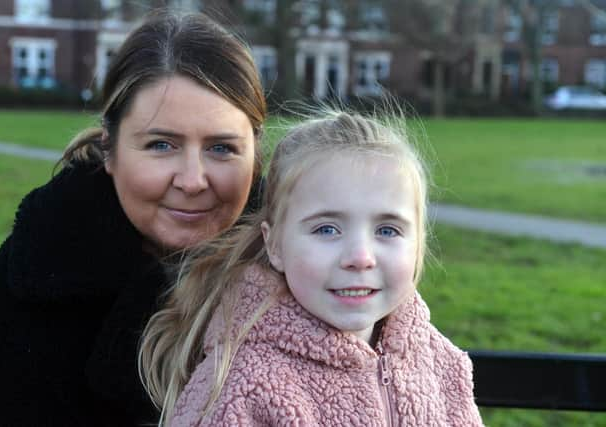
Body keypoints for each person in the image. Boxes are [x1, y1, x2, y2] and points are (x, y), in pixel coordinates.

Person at [0, 10, 266, 427]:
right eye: (162, 145)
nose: (194, 180)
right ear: (110, 150)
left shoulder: (311, 267)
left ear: (254, 153)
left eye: (221, 148)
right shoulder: (37, 276)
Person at [140, 109, 484, 426]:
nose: (361, 257)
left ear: (418, 243)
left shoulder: (442, 364)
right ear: (275, 245)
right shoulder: (245, 387)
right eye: (327, 229)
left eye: (387, 230)